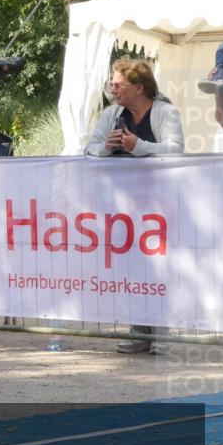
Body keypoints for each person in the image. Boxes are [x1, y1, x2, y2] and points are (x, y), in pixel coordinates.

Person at [85, 57, 184, 355]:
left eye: (118, 85)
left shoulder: (166, 112)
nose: (112, 90)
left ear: (139, 87)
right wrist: (108, 147)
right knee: (131, 268)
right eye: (111, 85)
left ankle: (164, 337)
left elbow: (175, 150)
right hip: (123, 208)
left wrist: (137, 146)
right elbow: (88, 148)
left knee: (160, 269)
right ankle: (139, 332)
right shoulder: (111, 114)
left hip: (160, 207)